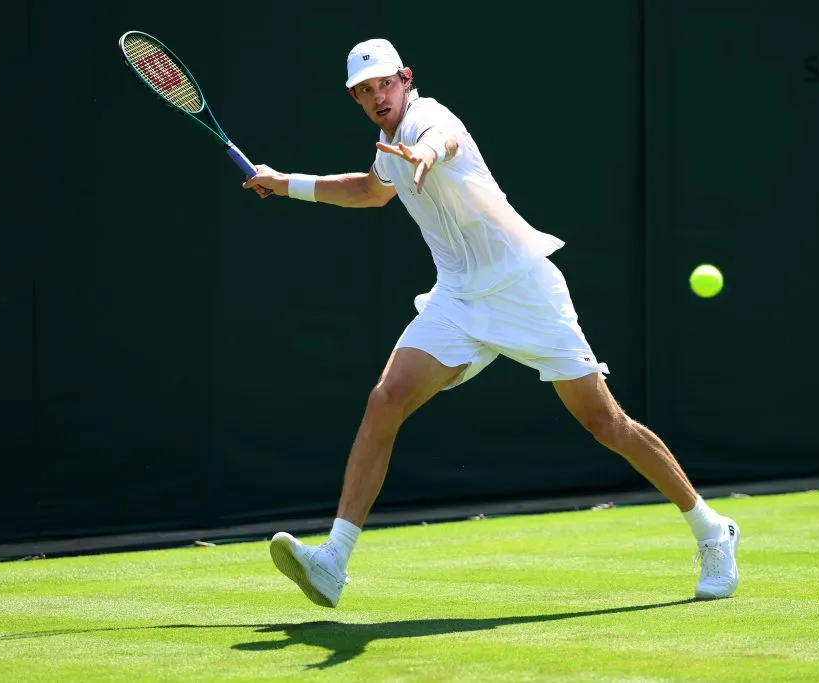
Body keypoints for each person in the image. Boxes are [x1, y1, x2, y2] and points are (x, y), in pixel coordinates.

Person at [242, 38, 740, 608]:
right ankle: (333, 560)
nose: (377, 95)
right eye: (364, 90)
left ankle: (711, 530)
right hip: (458, 297)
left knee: (605, 422)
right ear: (355, 98)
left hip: (524, 289)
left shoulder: (429, 118)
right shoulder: (385, 147)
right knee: (385, 400)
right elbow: (369, 190)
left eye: (384, 83)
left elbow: (441, 141)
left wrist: (427, 155)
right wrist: (284, 183)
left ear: (406, 79)